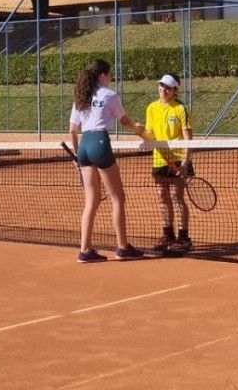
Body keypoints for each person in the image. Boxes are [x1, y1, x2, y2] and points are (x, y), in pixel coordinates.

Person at [69, 59, 147, 263]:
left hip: (85, 145)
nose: (111, 77)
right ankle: (122, 247)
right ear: (102, 75)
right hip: (100, 142)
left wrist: (77, 156)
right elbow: (124, 120)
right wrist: (139, 130)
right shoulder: (110, 95)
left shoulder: (81, 98)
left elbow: (72, 130)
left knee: (90, 201)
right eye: (110, 74)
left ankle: (84, 251)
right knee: (118, 196)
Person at [142, 74, 194, 255]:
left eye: (167, 87)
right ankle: (167, 234)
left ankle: (184, 237)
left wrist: (186, 163)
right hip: (159, 159)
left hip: (179, 159)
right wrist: (141, 133)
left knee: (176, 195)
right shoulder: (151, 108)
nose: (163, 90)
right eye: (161, 86)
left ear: (175, 91)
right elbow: (150, 134)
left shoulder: (180, 109)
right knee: (162, 195)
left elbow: (188, 138)